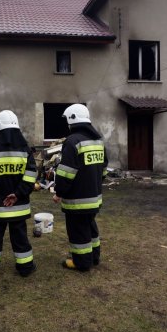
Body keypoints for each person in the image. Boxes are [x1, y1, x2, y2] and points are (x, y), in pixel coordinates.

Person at [0, 110, 37, 277]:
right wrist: (17, 194)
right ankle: (25, 268)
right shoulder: (25, 149)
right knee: (20, 238)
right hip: (18, 205)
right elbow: (31, 175)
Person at [53, 104, 108, 272]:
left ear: (72, 119)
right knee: (90, 225)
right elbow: (103, 170)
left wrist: (59, 192)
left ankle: (81, 262)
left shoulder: (72, 141)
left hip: (77, 200)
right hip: (94, 197)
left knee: (78, 230)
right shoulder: (98, 140)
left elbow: (66, 172)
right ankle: (94, 257)